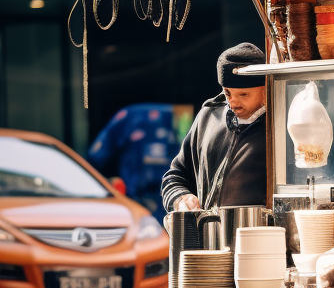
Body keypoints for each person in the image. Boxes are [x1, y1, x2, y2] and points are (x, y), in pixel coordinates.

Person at [161, 44, 267, 212]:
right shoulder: (208, 116)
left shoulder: (278, 126)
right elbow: (176, 175)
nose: (233, 103)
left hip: (260, 235)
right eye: (227, 93)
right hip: (208, 235)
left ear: (265, 90)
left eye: (243, 95)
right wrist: (180, 198)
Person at [88, 103, 179, 214]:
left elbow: (95, 157)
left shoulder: (129, 116)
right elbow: (95, 157)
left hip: (173, 200)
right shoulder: (129, 117)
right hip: (151, 202)